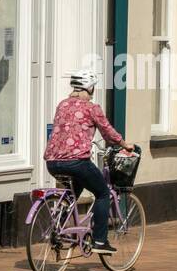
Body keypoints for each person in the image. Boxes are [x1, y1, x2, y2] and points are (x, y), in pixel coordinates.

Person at [44, 70, 133, 255]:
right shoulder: (92, 108)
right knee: (102, 193)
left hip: (52, 162)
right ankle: (100, 241)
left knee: (72, 194)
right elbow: (108, 132)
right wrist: (125, 144)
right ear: (90, 88)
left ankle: (58, 230)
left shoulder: (62, 105)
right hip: (77, 162)